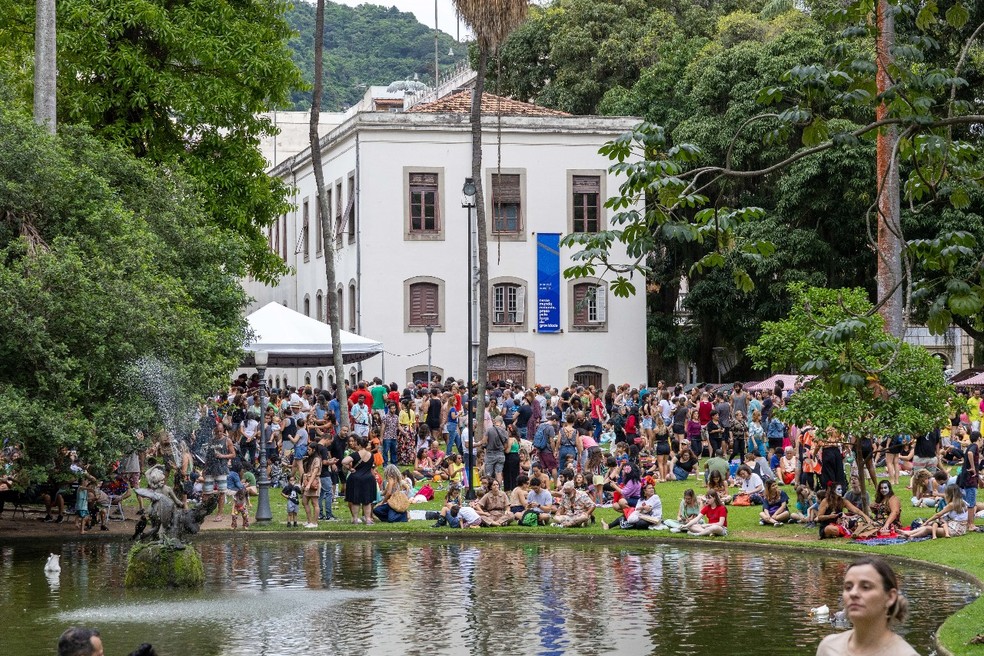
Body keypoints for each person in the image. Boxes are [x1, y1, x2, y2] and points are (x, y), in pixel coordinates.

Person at [816, 558, 917, 656]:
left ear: (890, 597)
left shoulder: (905, 653)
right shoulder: (828, 648)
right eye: (848, 587)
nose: (853, 593)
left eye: (865, 587)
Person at [901, 484, 969, 539]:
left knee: (928, 528)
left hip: (955, 529)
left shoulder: (951, 504)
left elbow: (938, 515)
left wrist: (927, 522)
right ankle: (909, 533)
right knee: (931, 524)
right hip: (960, 527)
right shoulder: (962, 502)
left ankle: (911, 535)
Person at [342, 435, 377, 524]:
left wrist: (350, 469)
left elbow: (344, 461)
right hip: (368, 478)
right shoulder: (371, 455)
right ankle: (368, 519)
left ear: (359, 445)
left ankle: (355, 519)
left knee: (355, 500)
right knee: (367, 501)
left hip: (356, 478)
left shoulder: (355, 454)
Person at [300, 445, 322, 528]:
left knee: (314, 503)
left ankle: (315, 522)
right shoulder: (309, 458)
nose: (308, 451)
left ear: (314, 450)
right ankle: (309, 521)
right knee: (304, 501)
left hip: (313, 481)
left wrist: (309, 484)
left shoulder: (317, 459)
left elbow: (315, 472)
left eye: (309, 449)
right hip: (307, 480)